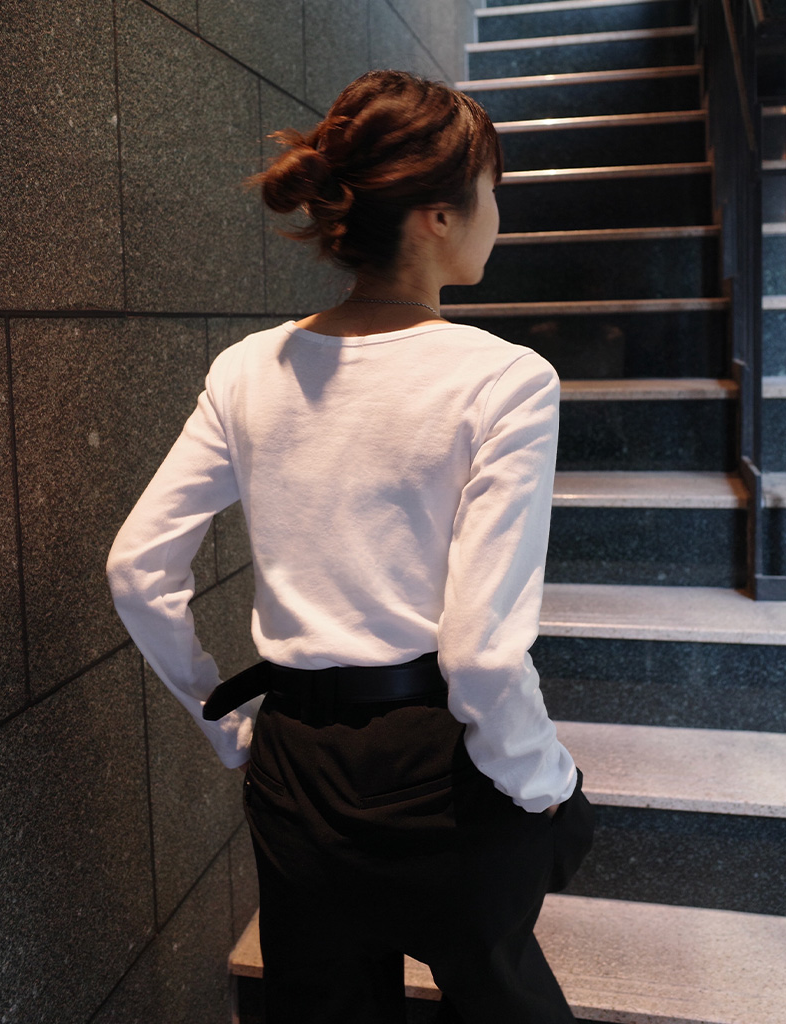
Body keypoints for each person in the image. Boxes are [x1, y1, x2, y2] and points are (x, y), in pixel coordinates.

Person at [107, 69, 594, 1024]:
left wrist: (230, 730)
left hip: (293, 764)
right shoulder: (507, 380)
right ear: (437, 216)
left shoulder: (246, 370)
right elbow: (481, 653)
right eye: (492, 189)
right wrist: (546, 783)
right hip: (442, 767)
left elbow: (137, 568)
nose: (499, 213)